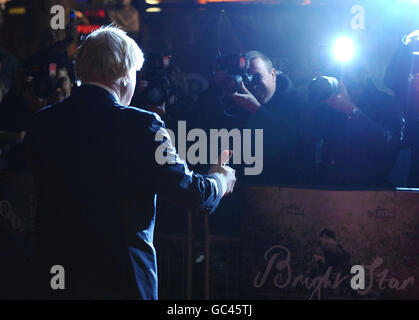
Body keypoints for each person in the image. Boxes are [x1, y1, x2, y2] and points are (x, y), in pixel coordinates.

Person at [24, 26, 236, 300]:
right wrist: (219, 180)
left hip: (54, 280)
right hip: (120, 282)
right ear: (125, 75)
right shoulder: (141, 125)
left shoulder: (43, 122)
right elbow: (192, 193)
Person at [301, 65, 403, 188]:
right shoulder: (329, 106)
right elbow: (306, 137)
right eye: (344, 75)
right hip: (330, 188)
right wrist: (313, 99)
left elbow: (387, 143)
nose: (348, 78)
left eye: (353, 72)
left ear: (365, 74)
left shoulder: (386, 104)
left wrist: (351, 110)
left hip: (372, 189)